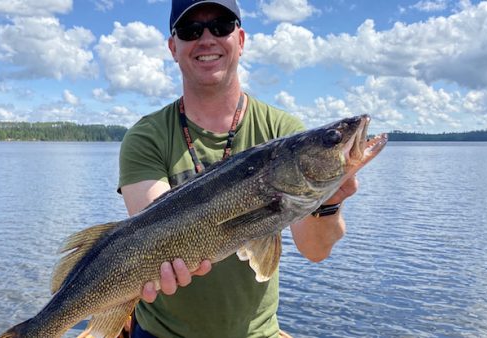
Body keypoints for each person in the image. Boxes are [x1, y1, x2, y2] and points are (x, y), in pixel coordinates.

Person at [117, 1, 358, 337]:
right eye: (190, 30)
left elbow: (314, 250)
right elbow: (156, 236)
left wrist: (329, 202)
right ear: (174, 48)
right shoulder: (146, 137)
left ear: (240, 40)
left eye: (221, 25)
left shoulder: (284, 132)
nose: (207, 39)